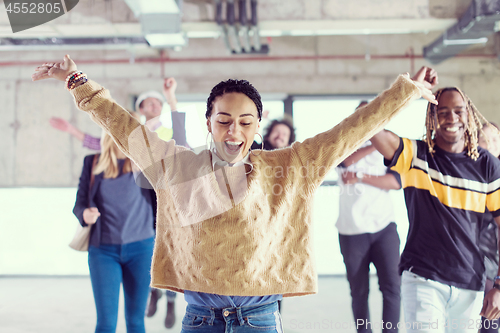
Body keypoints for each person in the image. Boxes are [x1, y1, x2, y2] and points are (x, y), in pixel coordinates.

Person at [32, 55, 437, 333]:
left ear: (257, 126)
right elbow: (122, 126)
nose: (234, 132)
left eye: (245, 122)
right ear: (208, 122)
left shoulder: (289, 167)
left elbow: (351, 130)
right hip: (200, 318)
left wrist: (406, 91)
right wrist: (76, 80)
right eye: (223, 120)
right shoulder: (177, 165)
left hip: (260, 318)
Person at [371, 88, 500, 332]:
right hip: (423, 277)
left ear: (469, 115)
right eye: (442, 112)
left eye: (458, 111)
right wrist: (409, 88)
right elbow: (368, 124)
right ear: (432, 117)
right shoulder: (415, 156)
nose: (451, 118)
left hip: (470, 281)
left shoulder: (488, 166)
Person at [73, 131, 156, 333]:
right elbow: (79, 204)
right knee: (105, 323)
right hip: (103, 252)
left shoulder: (146, 165)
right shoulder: (92, 163)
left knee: (136, 321)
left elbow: (165, 200)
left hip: (142, 250)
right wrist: (85, 214)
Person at [336, 102, 402, 333]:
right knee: (359, 292)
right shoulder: (342, 142)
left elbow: (395, 182)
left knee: (392, 287)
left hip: (384, 228)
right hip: (351, 231)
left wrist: (361, 176)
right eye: (361, 115)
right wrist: (374, 145)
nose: (366, 119)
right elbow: (344, 162)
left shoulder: (389, 145)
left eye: (371, 114)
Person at [49, 77, 188, 151]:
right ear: (141, 110)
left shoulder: (170, 132)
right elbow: (101, 145)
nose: (156, 107)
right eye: (151, 104)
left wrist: (171, 98)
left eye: (159, 104)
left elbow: (183, 146)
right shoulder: (132, 130)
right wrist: (71, 130)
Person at [478, 122, 500, 333]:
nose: (490, 144)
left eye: (495, 139)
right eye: (484, 139)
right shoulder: (469, 175)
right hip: (478, 265)